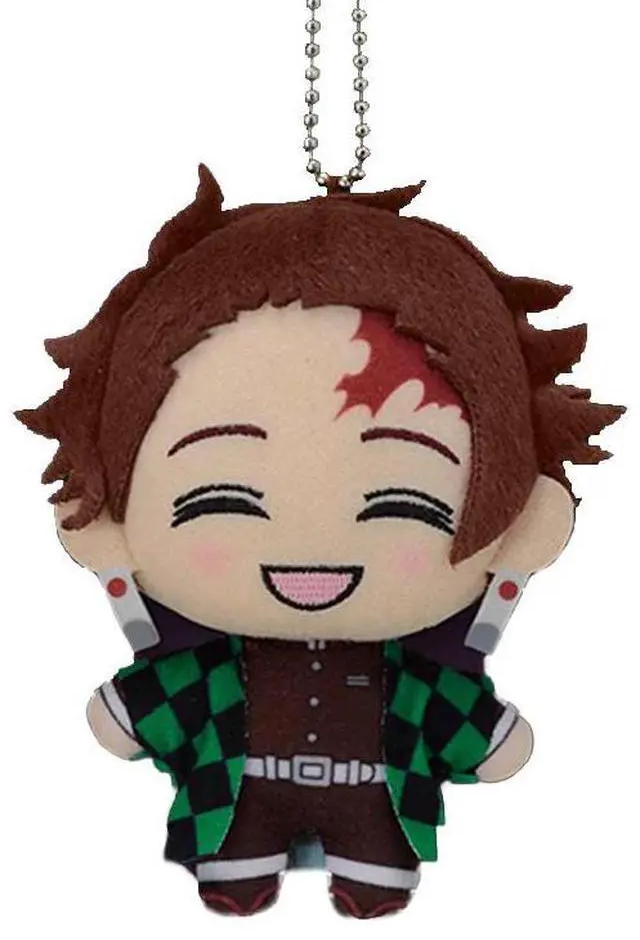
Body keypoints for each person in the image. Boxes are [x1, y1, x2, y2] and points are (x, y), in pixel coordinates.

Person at [18, 168, 623, 918]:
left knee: (372, 860)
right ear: (112, 511)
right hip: (238, 809)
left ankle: (360, 870)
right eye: (224, 497)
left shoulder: (401, 678)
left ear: (517, 521)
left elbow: (462, 719)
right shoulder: (214, 672)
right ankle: (247, 866)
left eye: (399, 502)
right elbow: (144, 706)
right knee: (242, 856)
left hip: (374, 811)